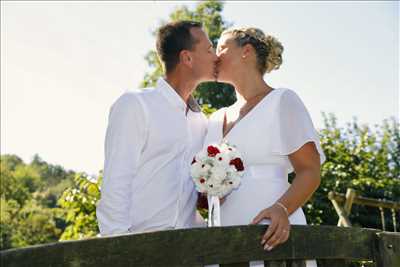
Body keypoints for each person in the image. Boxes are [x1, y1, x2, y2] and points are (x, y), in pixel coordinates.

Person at [204, 27, 326, 267]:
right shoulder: (216, 118)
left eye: (221, 48)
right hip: (223, 234)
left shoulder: (282, 100)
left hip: (273, 231)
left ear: (246, 52)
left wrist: (282, 209)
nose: (215, 57)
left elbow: (310, 171)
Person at [96, 21, 218, 236]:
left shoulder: (201, 121)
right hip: (140, 246)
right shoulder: (135, 104)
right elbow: (116, 182)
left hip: (190, 248)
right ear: (187, 58)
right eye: (209, 50)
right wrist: (117, 248)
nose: (216, 57)